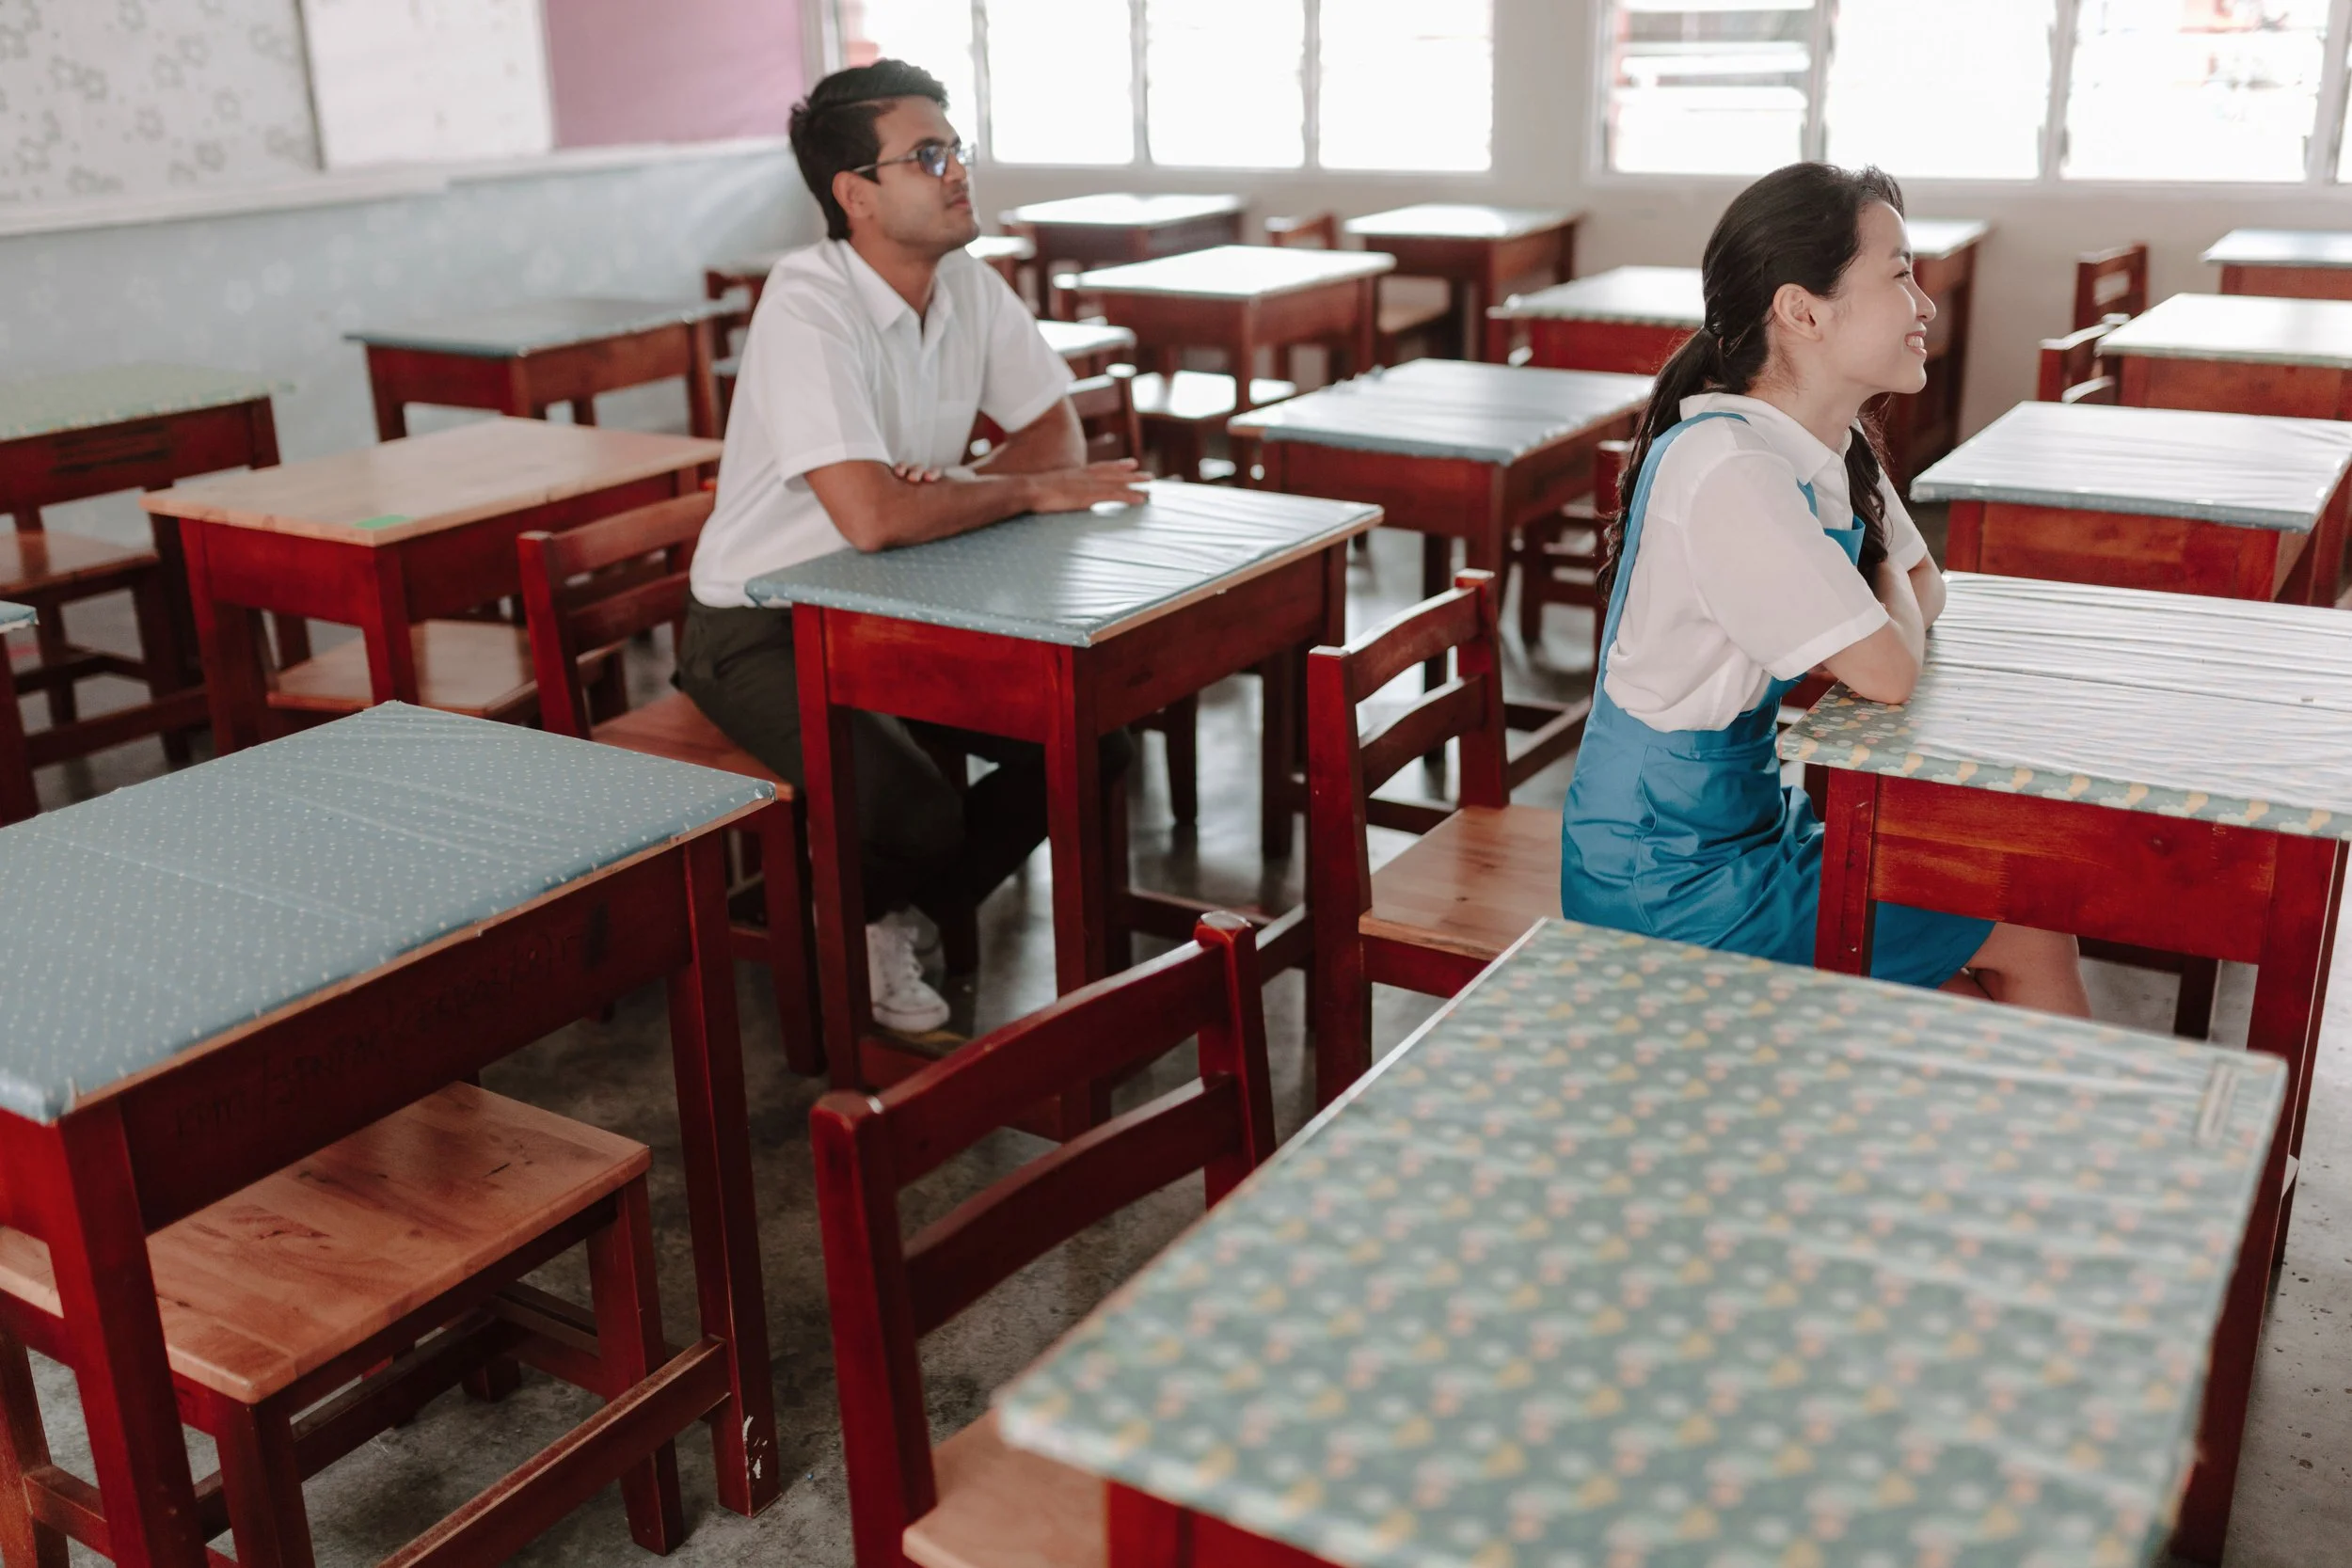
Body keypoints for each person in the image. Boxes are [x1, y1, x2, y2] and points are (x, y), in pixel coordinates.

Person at [678, 59, 1146, 1033]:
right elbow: (873, 514)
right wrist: (1006, 492)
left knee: (1091, 743)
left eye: (956, 148)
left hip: (899, 595)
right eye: (925, 155)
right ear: (855, 195)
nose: (955, 171)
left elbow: (1056, 438)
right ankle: (862, 911)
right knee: (914, 811)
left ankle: (858, 908)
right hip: (759, 619)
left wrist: (970, 491)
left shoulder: (964, 283)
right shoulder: (808, 301)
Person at [1559, 162, 2089, 1014]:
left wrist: (1883, 585)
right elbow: (1887, 669)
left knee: (1994, 955)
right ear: (1802, 310)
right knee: (2025, 928)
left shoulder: (1828, 441)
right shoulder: (1730, 467)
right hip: (1667, 875)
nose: (1926, 305)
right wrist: (1884, 583)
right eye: (1900, 274)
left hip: (1746, 831)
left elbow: (1926, 585)